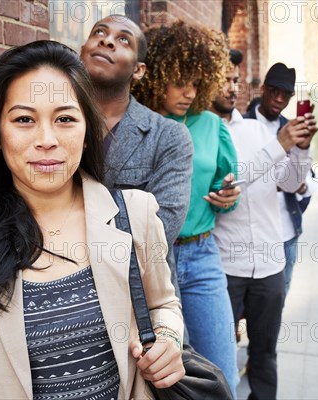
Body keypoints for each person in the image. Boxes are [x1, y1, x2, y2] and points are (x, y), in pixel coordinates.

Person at [0, 40, 185, 399]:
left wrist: (168, 340)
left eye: (64, 119)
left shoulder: (133, 216)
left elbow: (163, 305)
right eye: (24, 119)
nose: (47, 140)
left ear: (87, 132)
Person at [133, 21, 240, 398]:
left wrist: (228, 196)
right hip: (151, 263)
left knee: (223, 373)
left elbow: (226, 184)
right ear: (157, 73)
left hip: (201, 257)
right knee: (165, 379)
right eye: (179, 80)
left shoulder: (212, 125)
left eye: (197, 83)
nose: (189, 92)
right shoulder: (136, 124)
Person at [210, 57, 317, 399]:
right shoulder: (205, 132)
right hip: (227, 265)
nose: (232, 86)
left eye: (236, 80)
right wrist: (280, 145)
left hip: (270, 264)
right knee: (219, 354)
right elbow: (230, 181)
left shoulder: (258, 131)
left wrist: (301, 149)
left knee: (265, 353)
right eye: (225, 79)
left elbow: (290, 183)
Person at [80, 15, 193, 297]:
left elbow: (158, 233)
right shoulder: (53, 125)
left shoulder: (168, 136)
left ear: (139, 70)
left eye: (123, 40)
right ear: (82, 51)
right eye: (99, 32)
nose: (106, 40)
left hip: (139, 296)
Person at [243, 62, 317, 294]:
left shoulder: (292, 128)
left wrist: (299, 184)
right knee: (241, 308)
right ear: (263, 89)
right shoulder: (242, 125)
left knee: (276, 307)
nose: (279, 99)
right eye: (274, 91)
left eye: (286, 95)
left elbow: (310, 180)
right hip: (248, 234)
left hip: (285, 234)